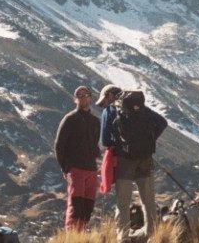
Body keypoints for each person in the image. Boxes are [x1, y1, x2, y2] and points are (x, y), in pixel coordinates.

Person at [110, 90, 167, 238]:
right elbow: (163, 122)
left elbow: (106, 139)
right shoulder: (144, 111)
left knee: (123, 203)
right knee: (148, 200)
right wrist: (150, 139)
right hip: (145, 158)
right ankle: (152, 236)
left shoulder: (117, 111)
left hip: (125, 160)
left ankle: (123, 237)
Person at [53, 85, 100, 231]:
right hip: (75, 169)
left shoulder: (95, 122)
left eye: (86, 94)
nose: (83, 97)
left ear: (90, 98)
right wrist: (65, 168)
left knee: (88, 206)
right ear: (75, 99)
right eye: (79, 95)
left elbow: (94, 145)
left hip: (91, 170)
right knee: (76, 205)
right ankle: (71, 237)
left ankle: (80, 234)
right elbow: (59, 145)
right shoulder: (70, 119)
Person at [96, 85, 123, 195]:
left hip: (118, 157)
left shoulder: (108, 111)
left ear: (110, 95)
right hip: (139, 156)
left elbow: (105, 141)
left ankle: (123, 212)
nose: (104, 105)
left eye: (105, 100)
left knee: (122, 195)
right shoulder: (136, 108)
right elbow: (161, 122)